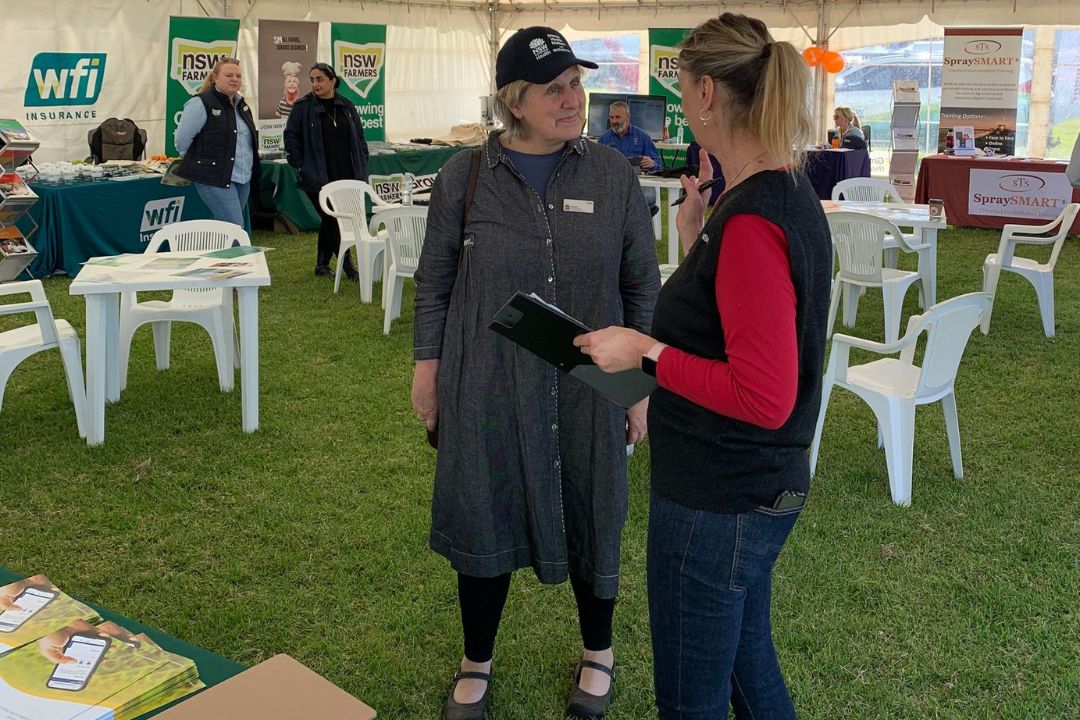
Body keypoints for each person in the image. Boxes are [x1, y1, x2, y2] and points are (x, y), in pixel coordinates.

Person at [574, 12, 832, 719]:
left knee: (692, 699)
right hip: (749, 490)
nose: (680, 104)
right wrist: (694, 238)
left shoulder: (753, 220)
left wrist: (646, 353)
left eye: (682, 88)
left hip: (719, 500)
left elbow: (764, 394)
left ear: (710, 94)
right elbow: (733, 332)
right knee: (750, 672)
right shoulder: (765, 197)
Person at [410, 25, 659, 720]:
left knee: (594, 507)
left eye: (576, 85)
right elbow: (434, 285)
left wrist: (642, 388)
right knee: (483, 507)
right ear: (515, 102)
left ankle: (599, 653)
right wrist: (426, 372)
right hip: (486, 381)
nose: (573, 99)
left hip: (596, 382)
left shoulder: (612, 176)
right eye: (555, 89)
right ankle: (475, 660)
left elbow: (643, 286)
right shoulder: (462, 179)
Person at [284, 62, 370, 278]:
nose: (315, 84)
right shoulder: (303, 107)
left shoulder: (346, 106)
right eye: (312, 79)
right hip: (317, 175)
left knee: (330, 219)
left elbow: (359, 137)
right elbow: (291, 136)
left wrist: (363, 158)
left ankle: (322, 265)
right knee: (333, 218)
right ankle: (347, 265)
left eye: (320, 79)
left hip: (346, 172)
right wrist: (300, 163)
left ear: (333, 81)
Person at [174, 58, 258, 228]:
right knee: (234, 227)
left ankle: (215, 252)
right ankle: (239, 255)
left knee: (225, 229)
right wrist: (199, 161)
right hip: (213, 176)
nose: (235, 79)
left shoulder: (241, 104)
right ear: (215, 78)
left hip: (242, 177)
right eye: (228, 75)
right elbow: (182, 140)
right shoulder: (201, 103)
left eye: (238, 76)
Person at [598, 100, 662, 173]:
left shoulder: (643, 137)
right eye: (611, 117)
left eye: (618, 117)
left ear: (628, 117)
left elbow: (659, 165)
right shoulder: (603, 139)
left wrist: (653, 164)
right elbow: (596, 164)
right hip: (612, 180)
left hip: (637, 181)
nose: (614, 121)